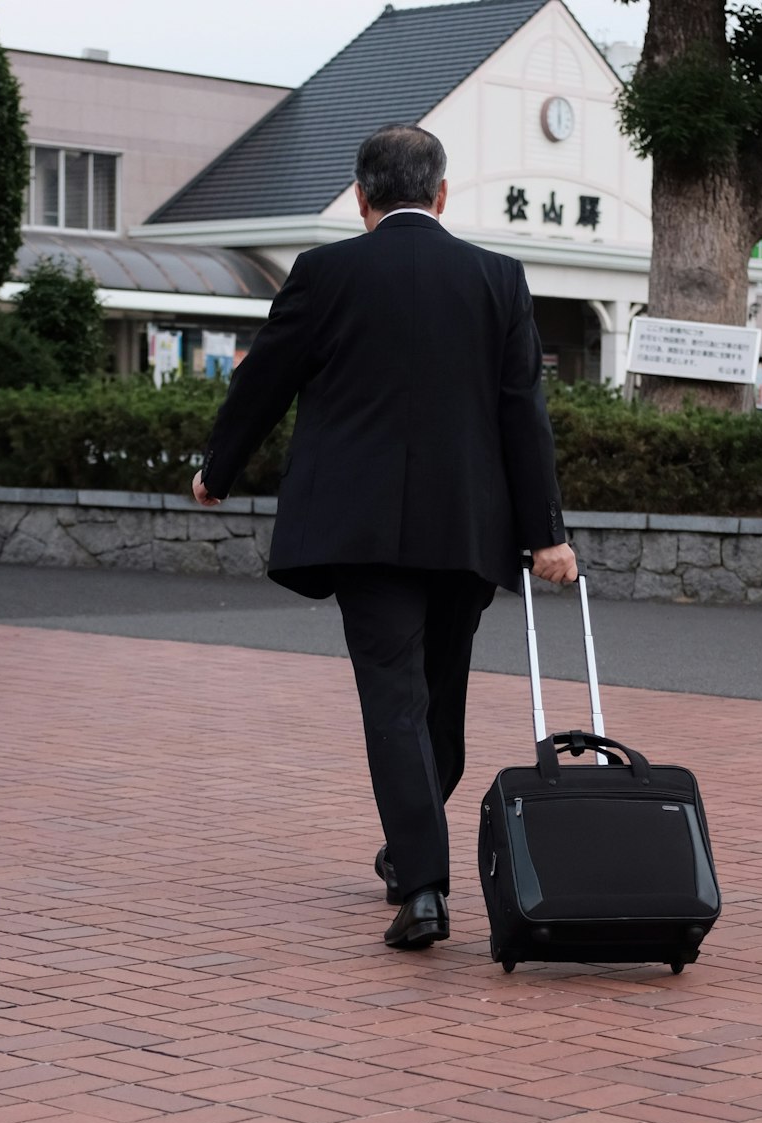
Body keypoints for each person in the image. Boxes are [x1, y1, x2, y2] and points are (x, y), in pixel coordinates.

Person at [192, 123, 578, 951]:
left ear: (360, 198)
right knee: (439, 703)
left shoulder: (325, 272)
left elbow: (267, 376)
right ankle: (414, 860)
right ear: (441, 195)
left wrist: (218, 470)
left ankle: (423, 884)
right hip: (469, 530)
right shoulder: (497, 278)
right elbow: (524, 414)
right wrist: (547, 532)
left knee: (394, 704)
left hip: (362, 531)